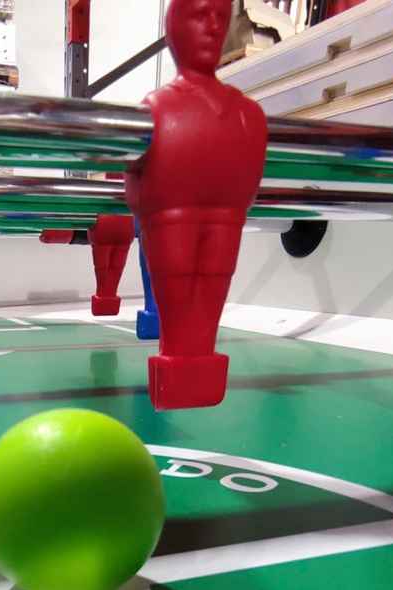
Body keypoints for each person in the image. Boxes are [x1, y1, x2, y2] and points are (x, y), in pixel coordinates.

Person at [125, 0, 267, 410]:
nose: (212, 27)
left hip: (224, 217)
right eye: (199, 16)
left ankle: (195, 367)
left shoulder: (246, 113)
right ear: (175, 27)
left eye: (220, 18)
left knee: (211, 282)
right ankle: (181, 364)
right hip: (170, 220)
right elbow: (133, 186)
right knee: (178, 277)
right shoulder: (158, 108)